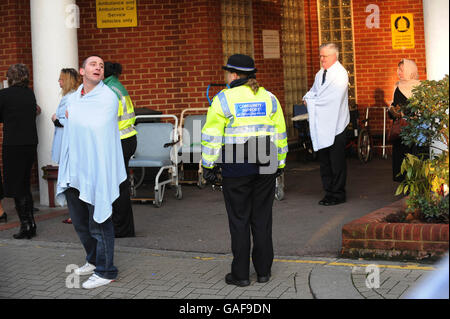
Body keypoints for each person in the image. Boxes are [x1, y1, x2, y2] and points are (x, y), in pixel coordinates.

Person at [201, 54, 288, 286]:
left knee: (239, 220)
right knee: (262, 219)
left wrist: (208, 165)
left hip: (236, 162)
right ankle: (263, 272)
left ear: (235, 75)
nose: (226, 76)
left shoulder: (224, 99)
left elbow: (211, 135)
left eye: (227, 73)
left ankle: (240, 276)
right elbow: (280, 133)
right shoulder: (269, 98)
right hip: (266, 161)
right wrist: (280, 164)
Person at [55, 55, 126, 289]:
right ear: (82, 71)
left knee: (99, 221)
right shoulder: (75, 98)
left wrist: (68, 118)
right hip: (75, 169)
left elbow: (92, 125)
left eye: (101, 65)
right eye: (93, 64)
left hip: (96, 169)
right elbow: (69, 120)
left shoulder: (107, 97)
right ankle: (94, 260)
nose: (98, 67)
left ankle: (107, 270)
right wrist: (67, 117)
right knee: (79, 222)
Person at [303, 43, 350, 206]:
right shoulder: (320, 74)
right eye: (320, 56)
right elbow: (314, 91)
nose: (322, 59)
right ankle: (328, 191)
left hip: (336, 124)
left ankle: (338, 193)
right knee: (325, 161)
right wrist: (307, 97)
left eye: (325, 56)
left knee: (336, 162)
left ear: (335, 56)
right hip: (322, 125)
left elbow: (332, 99)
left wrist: (311, 101)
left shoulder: (340, 74)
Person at [0, 64, 38, 239]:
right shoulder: (29, 94)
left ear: (10, 78)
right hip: (30, 143)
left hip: (13, 144)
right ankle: (31, 224)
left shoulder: (5, 95)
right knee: (25, 184)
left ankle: (25, 226)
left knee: (17, 186)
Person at [103, 62, 136, 238]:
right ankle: (124, 227)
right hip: (128, 138)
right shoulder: (117, 86)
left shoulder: (108, 90)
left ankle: (121, 228)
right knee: (120, 184)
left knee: (118, 186)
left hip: (119, 140)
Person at [51, 68, 82, 225]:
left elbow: (70, 120)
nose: (59, 82)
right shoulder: (71, 97)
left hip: (67, 142)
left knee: (70, 179)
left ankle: (75, 214)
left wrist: (56, 119)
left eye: (61, 79)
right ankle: (74, 212)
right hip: (65, 141)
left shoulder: (71, 98)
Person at [388, 58, 422, 182]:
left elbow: (422, 109)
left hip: (415, 130)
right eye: (398, 70)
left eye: (402, 70)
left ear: (410, 71)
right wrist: (392, 111)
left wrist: (406, 112)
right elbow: (393, 105)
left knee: (414, 157)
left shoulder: (419, 87)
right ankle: (404, 186)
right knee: (401, 159)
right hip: (401, 131)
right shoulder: (397, 86)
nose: (399, 73)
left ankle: (414, 186)